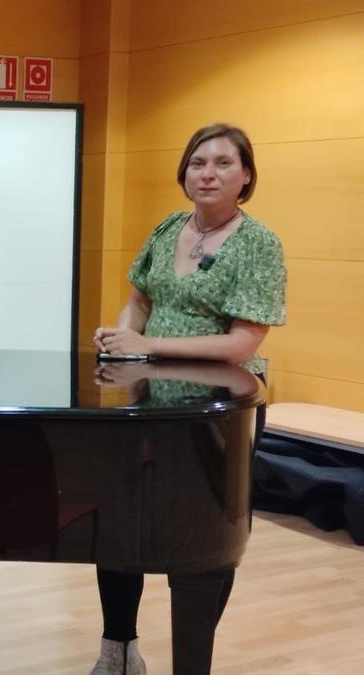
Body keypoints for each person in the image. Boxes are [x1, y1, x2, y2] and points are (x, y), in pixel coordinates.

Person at [91, 123, 286, 674]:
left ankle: (192, 661)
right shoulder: (169, 227)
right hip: (147, 402)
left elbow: (243, 342)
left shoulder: (258, 244)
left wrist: (147, 344)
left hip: (215, 412)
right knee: (119, 521)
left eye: (224, 163)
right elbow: (137, 298)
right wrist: (122, 340)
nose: (208, 172)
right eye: (198, 161)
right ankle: (118, 649)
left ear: (246, 176)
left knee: (203, 543)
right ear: (184, 172)